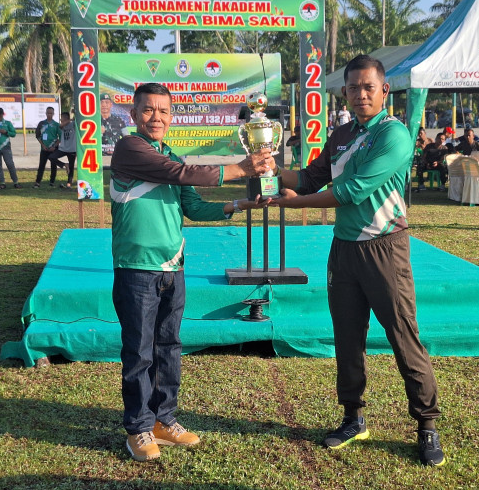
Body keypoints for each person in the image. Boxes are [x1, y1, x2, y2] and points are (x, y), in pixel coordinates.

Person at [268, 55, 445, 467]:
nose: (361, 94)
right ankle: (353, 417)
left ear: (385, 91)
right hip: (344, 249)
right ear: (344, 92)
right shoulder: (342, 133)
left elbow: (349, 192)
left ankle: (427, 424)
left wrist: (290, 204)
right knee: (347, 338)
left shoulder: (394, 135)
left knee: (404, 336)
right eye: (353, 87)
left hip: (385, 248)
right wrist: (271, 170)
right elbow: (311, 177)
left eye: (369, 87)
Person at [110, 83, 273, 462]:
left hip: (173, 267)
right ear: (133, 116)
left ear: (172, 117)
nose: (156, 117)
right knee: (139, 351)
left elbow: (195, 208)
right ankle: (138, 428)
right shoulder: (130, 149)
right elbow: (181, 173)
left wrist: (243, 203)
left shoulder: (170, 154)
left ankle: (163, 420)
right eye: (148, 110)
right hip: (136, 269)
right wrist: (239, 168)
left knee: (168, 347)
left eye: (163, 111)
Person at [33, 107, 62, 188]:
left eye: (51, 113)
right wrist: (43, 145)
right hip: (44, 148)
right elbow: (38, 135)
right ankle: (38, 182)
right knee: (41, 165)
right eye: (48, 113)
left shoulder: (56, 125)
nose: (49, 115)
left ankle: (52, 181)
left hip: (53, 149)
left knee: (53, 165)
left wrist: (54, 146)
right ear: (45, 113)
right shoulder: (41, 124)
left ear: (53, 114)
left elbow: (60, 137)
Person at [49, 111, 77, 188]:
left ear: (66, 118)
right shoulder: (62, 126)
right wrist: (68, 120)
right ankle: (64, 164)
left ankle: (69, 183)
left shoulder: (73, 124)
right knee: (51, 157)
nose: (61, 120)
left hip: (72, 149)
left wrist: (71, 119)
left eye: (62, 118)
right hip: (63, 148)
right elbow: (61, 126)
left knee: (71, 167)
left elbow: (76, 120)